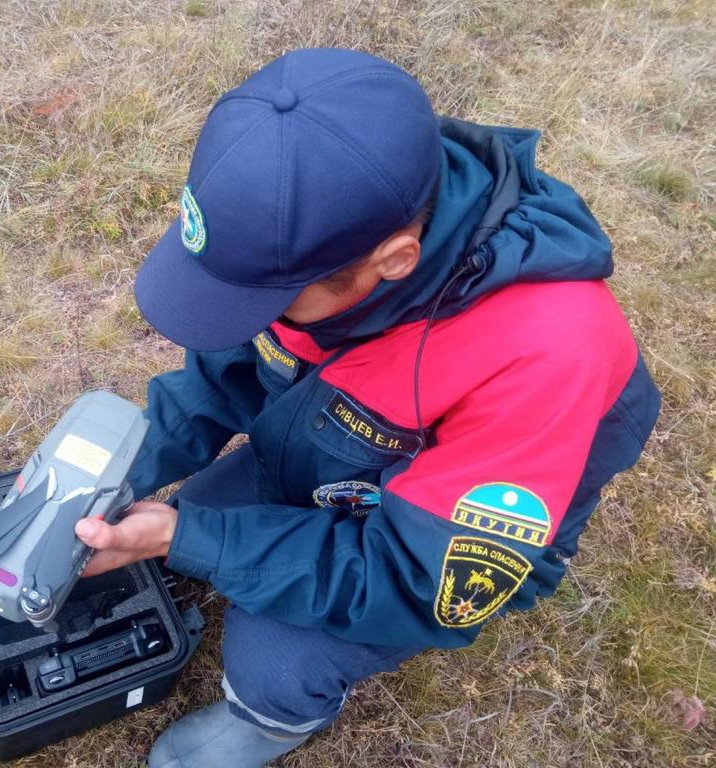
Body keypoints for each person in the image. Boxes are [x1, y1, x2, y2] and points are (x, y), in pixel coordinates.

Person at [73, 48, 661, 768]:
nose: (259, 315)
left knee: (273, 655)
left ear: (395, 260)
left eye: (269, 298)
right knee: (200, 510)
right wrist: (106, 476)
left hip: (431, 539)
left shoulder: (544, 352)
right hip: (337, 447)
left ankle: (270, 722)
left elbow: (419, 581)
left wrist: (189, 540)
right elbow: (223, 374)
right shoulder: (318, 227)